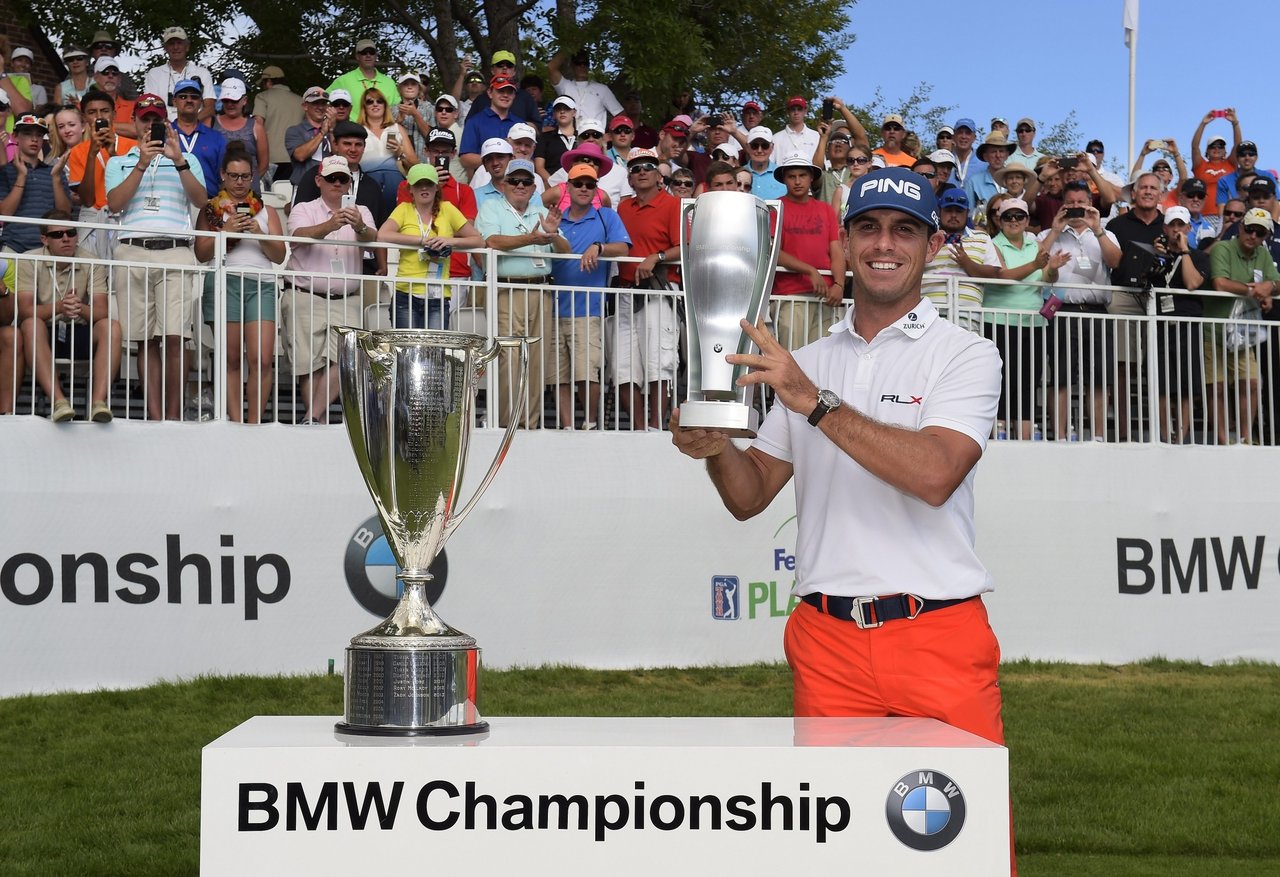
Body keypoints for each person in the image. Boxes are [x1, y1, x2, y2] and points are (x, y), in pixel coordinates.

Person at [668, 170, 1012, 875]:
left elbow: (935, 474)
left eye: (904, 230)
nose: (885, 244)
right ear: (846, 245)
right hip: (827, 643)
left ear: (931, 246)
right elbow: (750, 495)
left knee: (965, 850)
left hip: (936, 634)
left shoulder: (966, 353)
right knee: (837, 852)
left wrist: (816, 402)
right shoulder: (809, 361)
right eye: (868, 228)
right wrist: (717, 446)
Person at [104, 93, 209, 421]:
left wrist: (178, 161)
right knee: (144, 340)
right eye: (145, 119)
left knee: (176, 338)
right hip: (132, 250)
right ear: (134, 123)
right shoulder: (118, 161)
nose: (150, 125)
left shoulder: (187, 159)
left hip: (175, 251)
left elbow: (201, 200)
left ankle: (174, 417)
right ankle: (154, 416)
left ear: (166, 122)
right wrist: (141, 163)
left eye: (156, 119)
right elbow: (115, 204)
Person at [474, 157, 571, 428]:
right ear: (504, 184)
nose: (520, 185)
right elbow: (492, 241)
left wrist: (553, 234)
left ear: (533, 187)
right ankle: (507, 424)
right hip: (506, 288)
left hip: (540, 290)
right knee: (509, 357)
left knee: (537, 358)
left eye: (526, 182)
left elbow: (566, 251)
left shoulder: (540, 210)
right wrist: (532, 238)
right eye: (514, 180)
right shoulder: (492, 207)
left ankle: (530, 423)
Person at [194, 143, 285, 423]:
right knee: (230, 358)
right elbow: (201, 254)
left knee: (262, 359)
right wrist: (225, 231)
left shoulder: (267, 211)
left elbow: (280, 255)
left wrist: (259, 233)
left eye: (245, 176)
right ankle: (235, 422)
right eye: (234, 176)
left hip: (261, 284)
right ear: (223, 175)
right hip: (225, 283)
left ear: (252, 177)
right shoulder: (211, 209)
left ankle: (254, 423)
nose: (239, 182)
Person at [283, 155, 376, 424]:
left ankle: (311, 417)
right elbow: (297, 237)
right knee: (308, 364)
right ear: (318, 181)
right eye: (331, 178)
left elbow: (373, 240)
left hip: (346, 298)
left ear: (349, 183)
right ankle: (317, 424)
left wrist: (358, 225)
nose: (337, 183)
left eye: (342, 179)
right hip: (305, 295)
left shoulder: (361, 211)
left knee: (345, 360)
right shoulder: (303, 208)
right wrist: (330, 225)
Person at [15, 211, 122, 422]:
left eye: (71, 233)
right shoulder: (29, 260)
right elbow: (25, 310)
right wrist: (59, 307)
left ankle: (98, 404)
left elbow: (101, 311)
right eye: (57, 235)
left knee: (112, 327)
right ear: (44, 239)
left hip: (78, 328)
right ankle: (59, 403)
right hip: (44, 331)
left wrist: (79, 308)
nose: (65, 238)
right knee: (31, 324)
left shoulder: (91, 260)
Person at [1036, 184, 1122, 440]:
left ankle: (1098, 436)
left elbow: (1115, 261)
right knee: (1060, 376)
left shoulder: (1105, 232)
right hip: (1062, 310)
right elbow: (1035, 260)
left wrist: (1097, 229)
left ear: (1090, 204)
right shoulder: (1049, 233)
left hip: (1097, 311)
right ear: (1062, 204)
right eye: (1070, 202)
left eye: (1081, 202)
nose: (1076, 207)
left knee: (1099, 376)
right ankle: (1060, 435)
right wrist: (1056, 229)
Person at [550, 163, 630, 428]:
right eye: (578, 184)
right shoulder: (556, 217)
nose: (584, 189)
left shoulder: (606, 216)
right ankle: (567, 426)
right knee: (558, 374)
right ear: (568, 187)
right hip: (552, 306)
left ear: (596, 189)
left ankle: (590, 423)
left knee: (587, 372)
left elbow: (624, 248)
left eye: (590, 184)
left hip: (589, 308)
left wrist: (599, 246)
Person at [983, 197, 1069, 439]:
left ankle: (1025, 433)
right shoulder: (992, 244)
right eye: (1008, 216)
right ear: (999, 221)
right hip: (998, 321)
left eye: (1019, 216)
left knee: (1029, 379)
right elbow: (1003, 276)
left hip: (1033, 322)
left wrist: (1053, 268)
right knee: (1000, 379)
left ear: (1027, 220)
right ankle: (999, 430)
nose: (1014, 220)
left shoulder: (1035, 245)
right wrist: (1036, 264)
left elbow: (1047, 278)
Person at [613, 147, 683, 431]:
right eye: (635, 168)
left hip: (659, 290)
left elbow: (685, 246)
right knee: (622, 364)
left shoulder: (673, 204)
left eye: (648, 167)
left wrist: (657, 256)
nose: (642, 172)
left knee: (659, 361)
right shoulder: (623, 208)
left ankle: (656, 427)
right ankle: (639, 428)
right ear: (629, 178)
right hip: (626, 291)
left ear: (658, 175)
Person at [377, 163, 482, 329]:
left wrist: (450, 241)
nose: (424, 188)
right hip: (406, 292)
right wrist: (421, 240)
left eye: (429, 183)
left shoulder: (447, 209)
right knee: (407, 345)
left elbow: (478, 240)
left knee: (435, 345)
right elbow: (382, 235)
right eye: (418, 184)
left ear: (436, 187)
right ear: (410, 189)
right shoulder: (404, 209)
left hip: (438, 294)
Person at [1207, 207, 1279, 445]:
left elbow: (1276, 282)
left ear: (1265, 236)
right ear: (1240, 228)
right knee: (1217, 387)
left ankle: (1246, 439)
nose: (1253, 236)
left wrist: (1269, 287)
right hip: (1213, 329)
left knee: (1251, 383)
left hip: (1243, 333)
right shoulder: (1222, 248)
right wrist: (1256, 290)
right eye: (1250, 229)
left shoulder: (1263, 253)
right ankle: (1222, 440)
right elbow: (1220, 283)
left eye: (1260, 233)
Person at [770, 153, 845, 351]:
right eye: (791, 176)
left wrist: (839, 284)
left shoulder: (826, 209)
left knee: (823, 361)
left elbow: (836, 249)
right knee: (793, 358)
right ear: (784, 179)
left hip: (826, 296)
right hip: (789, 295)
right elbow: (774, 251)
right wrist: (810, 270)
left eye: (802, 175)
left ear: (811, 177)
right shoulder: (776, 208)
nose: (797, 181)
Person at [1149, 206, 1208, 443]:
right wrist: (1154, 256)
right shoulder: (1156, 253)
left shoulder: (1199, 256)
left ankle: (1181, 436)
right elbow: (1140, 279)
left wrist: (1184, 251)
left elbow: (1192, 283)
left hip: (1187, 323)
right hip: (1160, 322)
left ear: (1189, 228)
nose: (1176, 230)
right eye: (1172, 225)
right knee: (1162, 382)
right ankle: (1164, 435)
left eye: (1180, 225)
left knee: (1187, 383)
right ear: (1165, 228)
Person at [68, 90, 137, 260]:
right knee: (93, 275)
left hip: (125, 220)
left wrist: (113, 155)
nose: (99, 117)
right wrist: (92, 155)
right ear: (84, 117)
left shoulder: (133, 146)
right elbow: (87, 200)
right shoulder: (78, 151)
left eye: (105, 111)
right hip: (94, 220)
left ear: (114, 114)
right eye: (92, 112)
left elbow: (135, 188)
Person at [0, 115, 72, 256]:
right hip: (13, 247)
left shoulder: (55, 172)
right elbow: (4, 213)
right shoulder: (5, 172)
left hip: (47, 249)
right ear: (15, 137)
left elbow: (64, 214)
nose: (34, 139)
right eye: (28, 134)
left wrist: (56, 178)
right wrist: (21, 176)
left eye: (39, 135)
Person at [923, 188, 990, 329]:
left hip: (968, 319)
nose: (953, 215)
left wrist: (967, 262)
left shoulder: (982, 238)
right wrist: (933, 243)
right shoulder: (926, 238)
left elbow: (994, 274)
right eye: (948, 210)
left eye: (959, 211)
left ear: (967, 213)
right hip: (928, 317)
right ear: (939, 211)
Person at [357, 87, 416, 218]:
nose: (375, 104)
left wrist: (400, 152)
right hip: (366, 182)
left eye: (379, 101)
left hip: (395, 183)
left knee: (396, 221)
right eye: (370, 101)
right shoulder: (358, 130)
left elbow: (415, 164)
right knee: (368, 220)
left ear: (385, 105)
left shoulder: (397, 128)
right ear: (364, 106)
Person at [170, 78, 226, 198]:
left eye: (194, 97)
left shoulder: (216, 138)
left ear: (201, 102)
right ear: (174, 101)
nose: (189, 100)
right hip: (172, 202)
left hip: (208, 202)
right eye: (183, 97)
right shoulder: (165, 135)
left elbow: (224, 177)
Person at [143, 27, 214, 121]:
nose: (176, 47)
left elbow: (210, 108)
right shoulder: (154, 74)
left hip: (196, 125)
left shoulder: (202, 73)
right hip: (165, 126)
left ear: (187, 46)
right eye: (171, 43)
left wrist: (189, 125)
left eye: (179, 43)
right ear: (165, 48)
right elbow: (151, 106)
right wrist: (172, 126)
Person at [212, 78, 268, 195]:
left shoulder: (256, 127)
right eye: (226, 100)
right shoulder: (211, 123)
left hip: (250, 193)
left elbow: (263, 165)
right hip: (218, 192)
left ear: (244, 100)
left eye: (234, 100)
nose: (230, 104)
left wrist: (245, 182)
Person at [253, 65, 302, 185]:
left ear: (269, 82)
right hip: (296, 158)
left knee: (270, 194)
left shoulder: (262, 97)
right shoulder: (301, 101)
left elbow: (257, 125)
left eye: (263, 83)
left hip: (270, 160)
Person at [327, 39, 398, 121]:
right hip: (352, 127)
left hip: (383, 127)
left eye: (371, 52)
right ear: (357, 56)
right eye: (364, 52)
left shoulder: (389, 83)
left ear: (376, 56)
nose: (368, 55)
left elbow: (396, 110)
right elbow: (324, 101)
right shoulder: (343, 80)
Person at [547, 49, 622, 125]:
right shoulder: (565, 86)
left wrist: (611, 131)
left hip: (595, 132)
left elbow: (620, 114)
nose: (582, 66)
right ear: (572, 66)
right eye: (578, 63)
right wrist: (570, 46)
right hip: (570, 132)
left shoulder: (602, 89)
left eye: (585, 63)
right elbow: (551, 67)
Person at [1191, 109, 1240, 216]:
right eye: (1213, 146)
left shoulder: (1230, 164)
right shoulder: (1201, 165)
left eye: (1220, 146)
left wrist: (1235, 123)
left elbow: (1238, 146)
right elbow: (1195, 147)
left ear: (1225, 150)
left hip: (1229, 216)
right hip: (1204, 216)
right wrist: (1203, 124)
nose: (1217, 149)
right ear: (1207, 150)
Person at [285, 86, 333, 186]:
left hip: (329, 186)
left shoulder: (333, 130)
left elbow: (341, 156)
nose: (320, 107)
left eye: (323, 103)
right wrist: (322, 133)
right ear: (305, 106)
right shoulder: (295, 131)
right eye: (315, 103)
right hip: (303, 186)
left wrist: (332, 130)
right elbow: (300, 156)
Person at [773, 96, 819, 161]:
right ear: (788, 111)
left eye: (799, 109)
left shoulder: (816, 136)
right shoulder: (775, 138)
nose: (796, 113)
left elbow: (821, 163)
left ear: (805, 111)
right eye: (793, 109)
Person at [743, 127, 784, 200]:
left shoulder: (782, 174)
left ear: (772, 147)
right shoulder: (738, 174)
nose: (759, 150)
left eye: (765, 146)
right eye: (754, 146)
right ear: (747, 147)